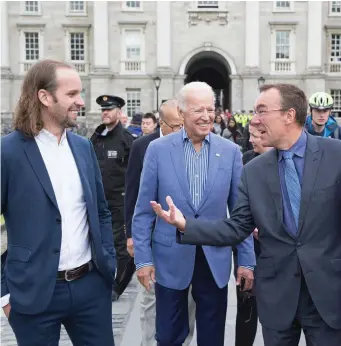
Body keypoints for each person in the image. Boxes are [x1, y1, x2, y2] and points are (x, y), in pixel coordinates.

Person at [152, 83, 341, 346]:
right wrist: (187, 225)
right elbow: (237, 227)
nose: (255, 120)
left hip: (328, 297)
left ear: (288, 115)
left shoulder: (336, 155)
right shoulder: (254, 170)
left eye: (262, 111)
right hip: (278, 299)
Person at [1, 59, 116, 346]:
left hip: (91, 288)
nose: (81, 101)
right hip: (32, 293)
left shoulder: (83, 147)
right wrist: (3, 292)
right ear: (44, 97)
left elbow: (100, 211)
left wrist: (107, 264)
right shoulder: (8, 152)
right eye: (72, 94)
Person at [133, 82, 256, 346]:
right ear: (181, 112)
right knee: (167, 337)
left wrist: (246, 261)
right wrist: (143, 260)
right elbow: (143, 211)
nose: (206, 116)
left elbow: (240, 215)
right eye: (198, 109)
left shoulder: (231, 152)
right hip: (169, 260)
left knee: (212, 338)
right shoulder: (158, 150)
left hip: (214, 259)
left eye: (210, 109)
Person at [125, 99, 195, 346]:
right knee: (151, 300)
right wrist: (131, 236)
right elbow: (133, 194)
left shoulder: (192, 144)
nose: (180, 131)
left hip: (184, 239)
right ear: (161, 123)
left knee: (186, 300)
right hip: (153, 237)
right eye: (175, 126)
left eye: (182, 125)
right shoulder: (144, 146)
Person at [90, 95, 136, 300]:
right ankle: (102, 278)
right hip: (98, 200)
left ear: (119, 112)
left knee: (120, 244)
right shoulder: (96, 138)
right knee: (99, 241)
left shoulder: (127, 140)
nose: (105, 113)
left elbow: (135, 173)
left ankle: (117, 286)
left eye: (109, 109)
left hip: (119, 200)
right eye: (103, 110)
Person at [234, 124, 272, 346]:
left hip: (274, 248)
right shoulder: (245, 160)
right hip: (248, 244)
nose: (251, 140)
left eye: (256, 136)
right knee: (246, 304)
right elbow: (238, 202)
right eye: (251, 135)